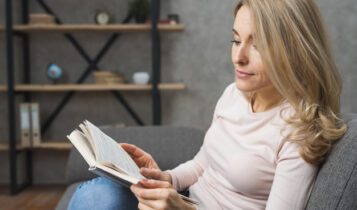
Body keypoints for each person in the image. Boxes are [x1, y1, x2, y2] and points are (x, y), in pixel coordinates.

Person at [68, 0, 347, 209]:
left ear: (294, 50)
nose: (238, 57)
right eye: (235, 40)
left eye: (257, 45)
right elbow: (205, 162)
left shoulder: (299, 132)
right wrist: (167, 178)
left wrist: (181, 208)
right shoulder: (233, 95)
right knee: (100, 194)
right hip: (186, 202)